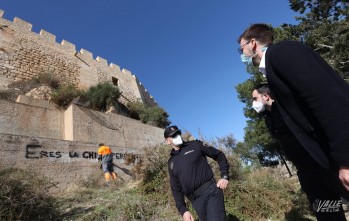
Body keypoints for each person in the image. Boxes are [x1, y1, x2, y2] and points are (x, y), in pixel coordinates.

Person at [237, 23, 349, 220]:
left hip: (333, 161)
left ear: (252, 43)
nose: (241, 55)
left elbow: (328, 99)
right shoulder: (273, 70)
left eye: (241, 49)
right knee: (329, 215)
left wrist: (345, 159)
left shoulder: (282, 53)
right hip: (314, 171)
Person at [252, 84, 349, 220]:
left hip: (325, 165)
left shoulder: (287, 107)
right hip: (307, 175)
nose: (253, 103)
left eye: (255, 98)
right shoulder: (268, 118)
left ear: (266, 96)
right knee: (328, 214)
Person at [164, 125, 230, 221]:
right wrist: (183, 211)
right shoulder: (171, 163)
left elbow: (219, 155)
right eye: (173, 136)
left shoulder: (195, 145)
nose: (177, 136)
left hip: (210, 193)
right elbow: (176, 190)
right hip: (196, 202)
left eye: (178, 133)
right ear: (167, 141)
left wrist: (224, 176)